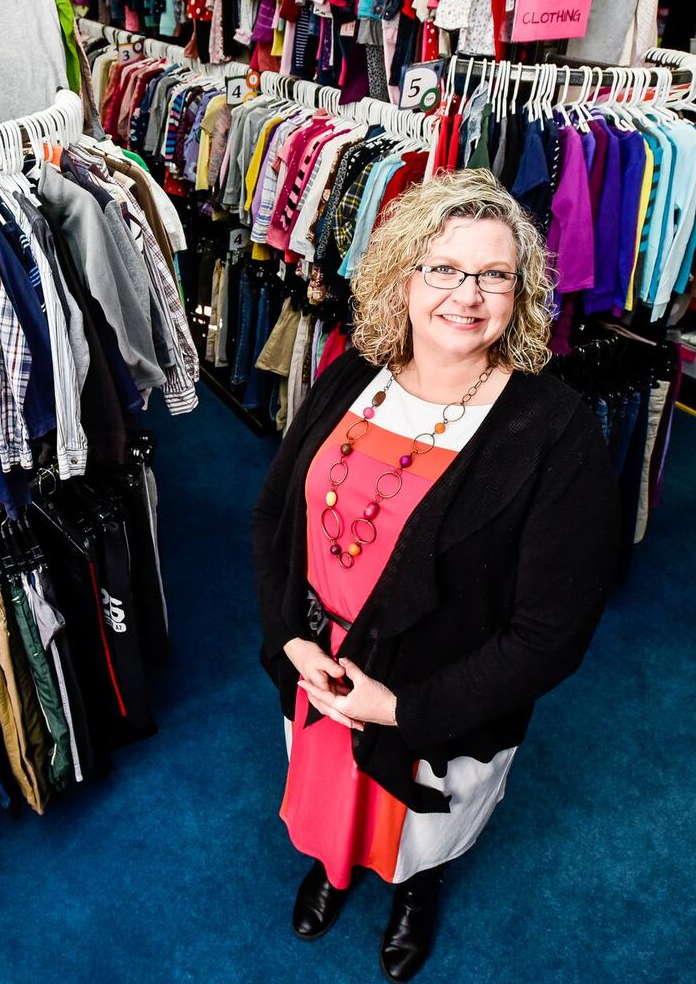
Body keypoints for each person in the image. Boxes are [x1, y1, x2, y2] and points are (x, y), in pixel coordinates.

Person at [250, 169, 620, 981]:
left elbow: (549, 633)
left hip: (441, 698)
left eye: (494, 273)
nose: (468, 293)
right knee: (332, 798)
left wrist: (407, 706)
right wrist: (288, 641)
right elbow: (276, 518)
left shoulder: (551, 429)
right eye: (444, 268)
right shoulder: (349, 376)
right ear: (401, 276)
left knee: (421, 830)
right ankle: (334, 864)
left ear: (519, 293)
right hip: (321, 673)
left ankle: (417, 889)